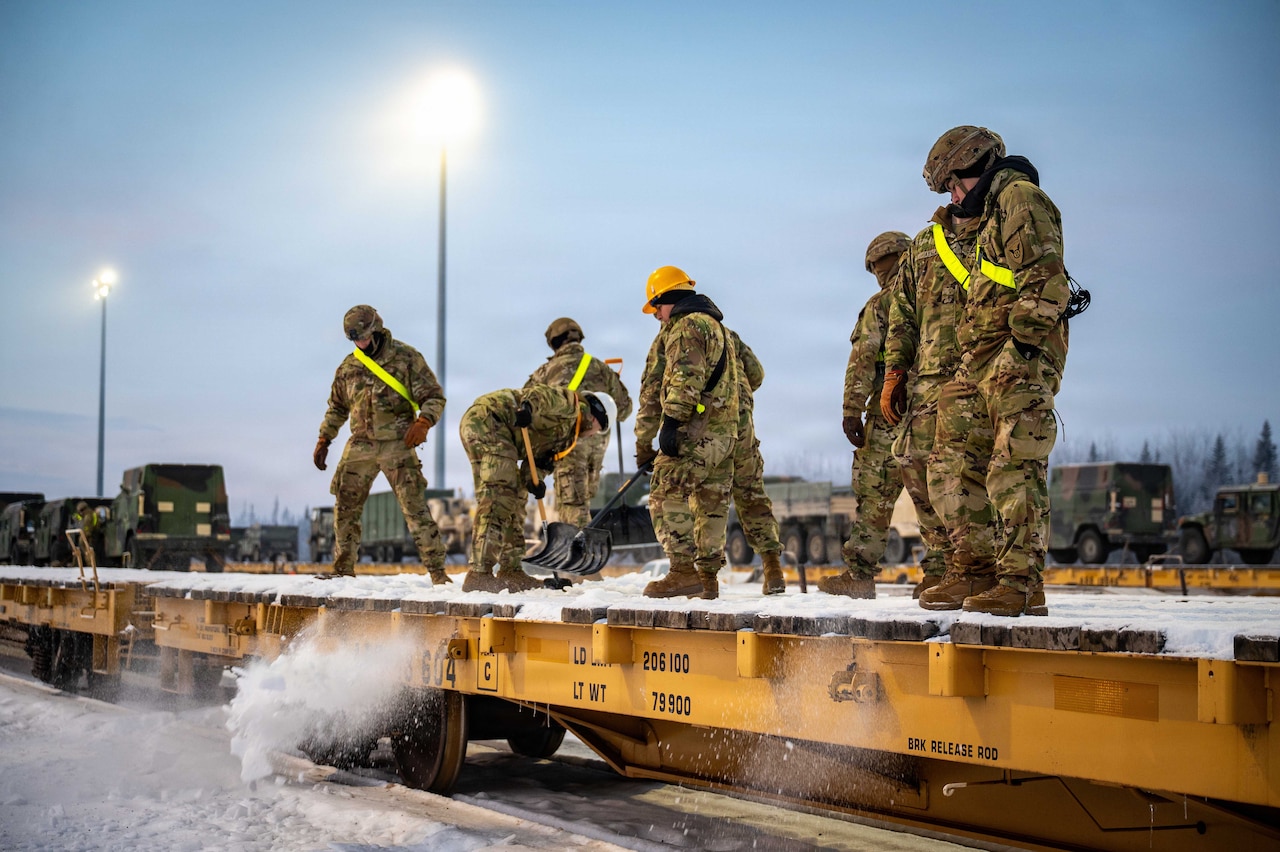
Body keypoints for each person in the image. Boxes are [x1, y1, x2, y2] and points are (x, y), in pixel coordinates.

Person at [917, 126, 1070, 617]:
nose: (954, 196)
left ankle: (1021, 581)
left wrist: (1021, 350)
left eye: (954, 184)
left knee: (1014, 460)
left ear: (975, 163)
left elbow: (1046, 280)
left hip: (1017, 353)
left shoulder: (1020, 198)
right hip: (982, 357)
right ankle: (975, 568)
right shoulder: (987, 216)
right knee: (951, 456)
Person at [881, 203, 983, 600]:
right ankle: (945, 562)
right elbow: (902, 313)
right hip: (926, 378)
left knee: (963, 472)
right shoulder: (925, 244)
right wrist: (895, 372)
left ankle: (976, 566)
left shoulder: (991, 231)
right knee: (914, 463)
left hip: (973, 373)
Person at [313, 305, 448, 582]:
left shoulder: (406, 358)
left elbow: (434, 396)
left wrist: (424, 422)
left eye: (363, 337)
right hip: (360, 444)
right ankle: (342, 569)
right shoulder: (348, 367)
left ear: (375, 330)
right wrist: (325, 437)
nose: (360, 343)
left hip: (398, 442)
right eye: (354, 340)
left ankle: (437, 572)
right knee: (345, 506)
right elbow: (337, 407)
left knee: (414, 508)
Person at [634, 266, 740, 600]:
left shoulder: (686, 326)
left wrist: (670, 425)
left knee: (665, 488)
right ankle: (707, 579)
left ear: (666, 299)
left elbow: (684, 377)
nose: (658, 318)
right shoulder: (716, 327)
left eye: (657, 310)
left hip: (697, 432)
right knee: (710, 502)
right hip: (725, 436)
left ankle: (682, 571)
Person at [819, 232, 911, 599]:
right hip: (939, 407)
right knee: (933, 492)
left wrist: (850, 411)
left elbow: (863, 361)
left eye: (875, 267)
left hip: (891, 409)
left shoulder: (882, 304)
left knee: (875, 491)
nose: (875, 273)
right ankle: (942, 573)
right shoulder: (937, 295)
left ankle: (859, 574)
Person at [459, 384, 611, 593]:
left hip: (500, 436)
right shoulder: (571, 406)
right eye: (598, 430)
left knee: (517, 498)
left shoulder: (567, 438)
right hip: (491, 420)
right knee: (499, 497)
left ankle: (511, 569)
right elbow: (540, 395)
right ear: (595, 419)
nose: (594, 435)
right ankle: (479, 574)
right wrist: (528, 408)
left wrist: (535, 480)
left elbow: (540, 463)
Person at [525, 317, 633, 527]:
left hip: (568, 447)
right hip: (597, 448)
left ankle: (580, 553)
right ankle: (582, 549)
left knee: (573, 507)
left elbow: (524, 408)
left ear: (554, 343)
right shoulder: (602, 369)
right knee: (582, 502)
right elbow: (624, 410)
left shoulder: (545, 372)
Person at [726, 328, 786, 594]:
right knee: (752, 495)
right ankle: (773, 568)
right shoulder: (729, 335)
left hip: (708, 426)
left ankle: (704, 578)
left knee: (707, 498)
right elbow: (757, 374)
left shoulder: (679, 333)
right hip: (742, 422)